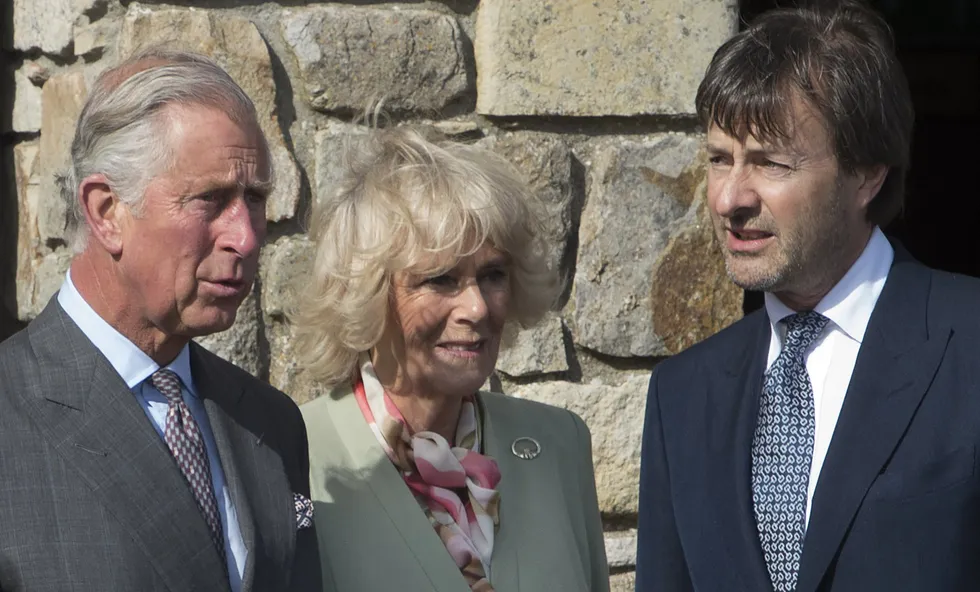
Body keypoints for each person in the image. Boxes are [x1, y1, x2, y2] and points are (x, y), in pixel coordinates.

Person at [635, 2, 980, 591]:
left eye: (770, 162)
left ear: (868, 175)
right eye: (721, 159)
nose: (728, 200)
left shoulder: (967, 341)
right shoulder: (682, 396)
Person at [0, 49, 321, 591]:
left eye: (256, 198)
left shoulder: (272, 423)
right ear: (106, 212)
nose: (244, 236)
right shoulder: (12, 410)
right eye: (210, 200)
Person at [293, 125, 609, 592]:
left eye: (493, 275)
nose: (477, 308)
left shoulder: (558, 443)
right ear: (367, 293)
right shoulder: (294, 459)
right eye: (440, 279)